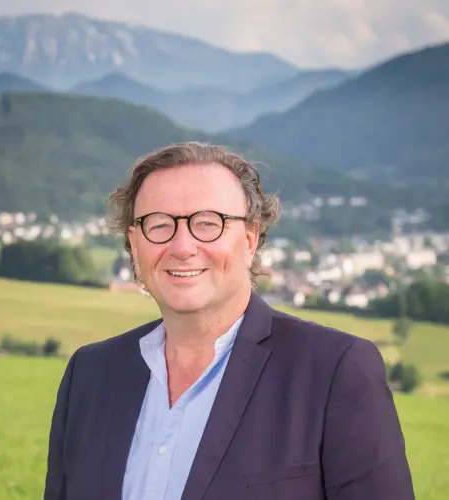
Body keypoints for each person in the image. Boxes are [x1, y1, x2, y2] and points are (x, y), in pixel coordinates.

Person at [44, 142, 415, 500]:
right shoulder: (89, 375)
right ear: (135, 244)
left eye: (208, 223)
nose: (182, 246)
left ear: (250, 240)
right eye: (158, 225)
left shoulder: (334, 371)